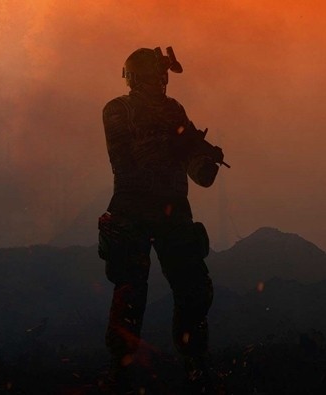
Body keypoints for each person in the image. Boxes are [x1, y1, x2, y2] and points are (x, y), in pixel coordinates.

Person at [98, 47, 226, 393]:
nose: (162, 82)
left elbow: (191, 160)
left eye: (163, 75)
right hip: (132, 209)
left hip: (173, 209)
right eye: (156, 76)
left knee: (194, 290)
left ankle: (195, 365)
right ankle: (120, 371)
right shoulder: (117, 110)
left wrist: (201, 157)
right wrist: (175, 144)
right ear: (138, 78)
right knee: (130, 295)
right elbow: (125, 160)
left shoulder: (173, 111)